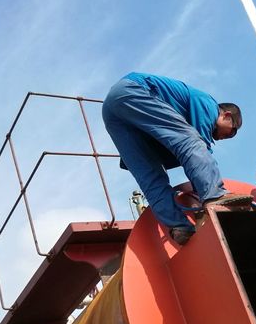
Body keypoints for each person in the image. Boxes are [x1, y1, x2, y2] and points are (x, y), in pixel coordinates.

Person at [102, 72, 242, 245]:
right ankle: (214, 196)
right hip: (133, 90)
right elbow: (195, 146)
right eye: (232, 131)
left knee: (150, 174)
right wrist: (207, 193)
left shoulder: (191, 107)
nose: (226, 137)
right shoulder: (209, 105)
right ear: (226, 115)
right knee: (191, 141)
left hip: (111, 112)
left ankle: (179, 226)